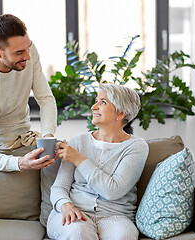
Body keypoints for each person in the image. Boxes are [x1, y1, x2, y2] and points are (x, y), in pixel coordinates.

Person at [47, 84, 149, 240]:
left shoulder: (136, 147)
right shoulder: (77, 141)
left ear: (121, 113)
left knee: (122, 236)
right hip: (74, 210)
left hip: (115, 215)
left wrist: (79, 159)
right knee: (78, 233)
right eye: (96, 101)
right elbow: (59, 187)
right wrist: (66, 206)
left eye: (103, 102)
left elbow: (112, 191)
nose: (94, 107)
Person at [0, 14, 58, 172]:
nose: (28, 56)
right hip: (3, 151)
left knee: (66, 160)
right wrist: (20, 163)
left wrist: (48, 137)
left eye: (28, 47)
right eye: (19, 53)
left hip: (28, 138)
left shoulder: (27, 50)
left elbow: (45, 99)